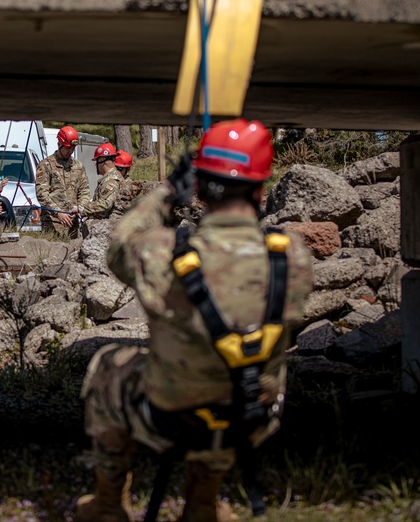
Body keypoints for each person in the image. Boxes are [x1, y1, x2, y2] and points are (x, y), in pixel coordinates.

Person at [76, 118, 313, 522]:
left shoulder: (163, 253)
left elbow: (118, 246)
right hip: (252, 417)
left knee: (106, 365)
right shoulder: (291, 256)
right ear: (260, 190)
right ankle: (203, 502)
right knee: (236, 372)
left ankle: (109, 504)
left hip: (169, 417)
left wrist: (167, 193)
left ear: (200, 188)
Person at [35, 125, 90, 239]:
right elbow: (41, 193)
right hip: (53, 223)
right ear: (59, 144)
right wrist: (58, 212)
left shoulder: (78, 166)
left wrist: (81, 208)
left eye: (73, 148)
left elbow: (84, 190)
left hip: (73, 224)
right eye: (68, 148)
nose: (71, 151)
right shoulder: (46, 165)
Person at [79, 143, 123, 220]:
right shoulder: (113, 177)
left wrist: (81, 209)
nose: (95, 165)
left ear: (102, 160)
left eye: (97, 161)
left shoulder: (111, 180)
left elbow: (105, 204)